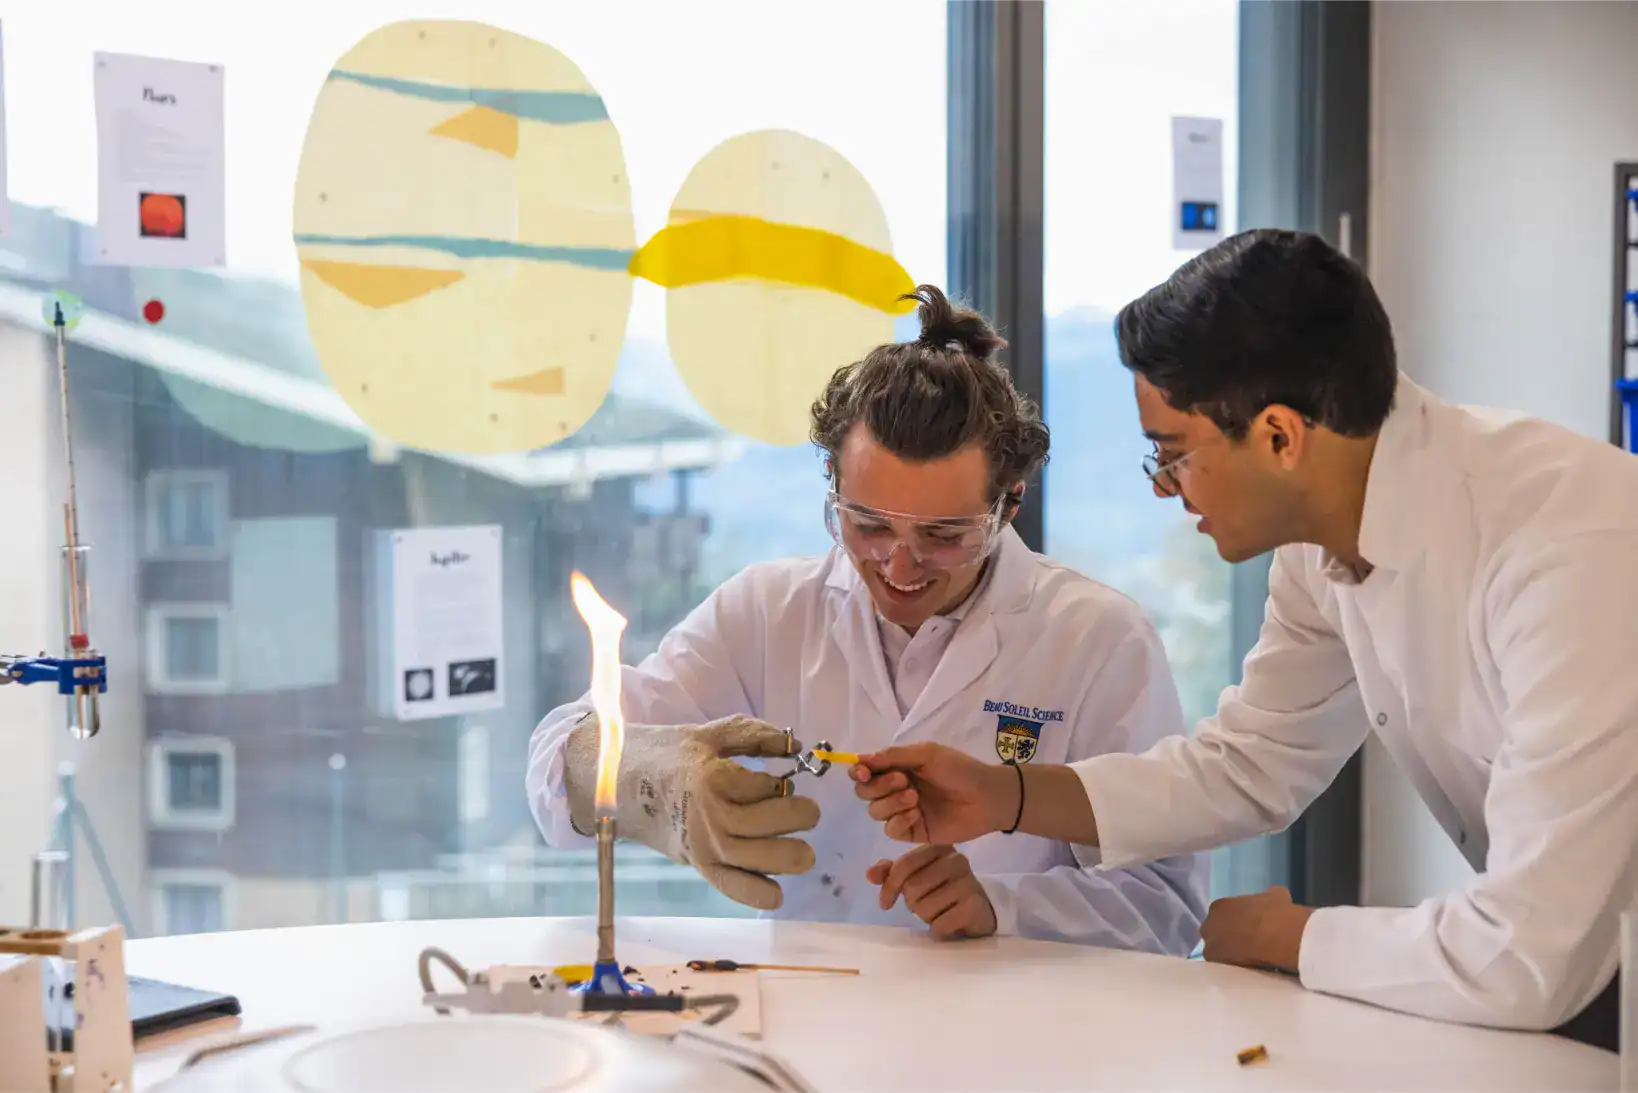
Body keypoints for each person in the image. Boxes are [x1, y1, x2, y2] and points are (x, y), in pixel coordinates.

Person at [851, 228, 1638, 1049]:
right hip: (1578, 972)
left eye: (1174, 453)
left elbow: (1526, 951)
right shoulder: (1322, 536)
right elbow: (1252, 760)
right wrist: (1006, 796)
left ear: (1279, 436)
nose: (1164, 488)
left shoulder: (1572, 546)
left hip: (1576, 968)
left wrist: (1290, 937)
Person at [526, 285, 1206, 953]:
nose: (900, 566)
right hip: (809, 1017)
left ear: (1010, 503)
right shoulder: (766, 612)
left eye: (945, 535)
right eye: (868, 523)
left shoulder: (1098, 638)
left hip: (1011, 1035)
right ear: (832, 482)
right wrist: (663, 781)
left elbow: (1166, 906)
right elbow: (558, 773)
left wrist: (1002, 906)